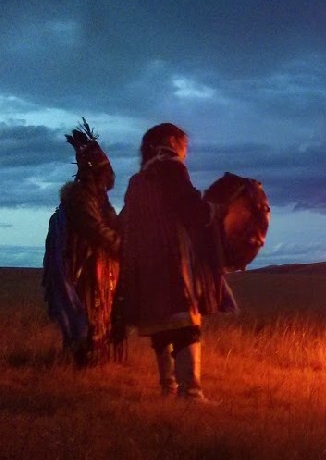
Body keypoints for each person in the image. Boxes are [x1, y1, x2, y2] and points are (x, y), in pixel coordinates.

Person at [117, 123, 227, 401]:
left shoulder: (137, 180)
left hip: (144, 263)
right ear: (171, 140)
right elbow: (191, 210)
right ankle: (191, 393)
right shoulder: (171, 168)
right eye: (184, 143)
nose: (186, 150)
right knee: (184, 324)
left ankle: (168, 388)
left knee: (160, 325)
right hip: (170, 260)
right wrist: (214, 210)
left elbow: (126, 222)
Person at [56, 119, 122, 365]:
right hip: (86, 267)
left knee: (101, 309)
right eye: (106, 172)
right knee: (88, 309)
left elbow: (110, 223)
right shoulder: (81, 196)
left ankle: (96, 357)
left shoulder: (98, 197)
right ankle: (84, 358)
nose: (110, 177)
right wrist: (119, 245)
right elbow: (93, 229)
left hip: (102, 265)